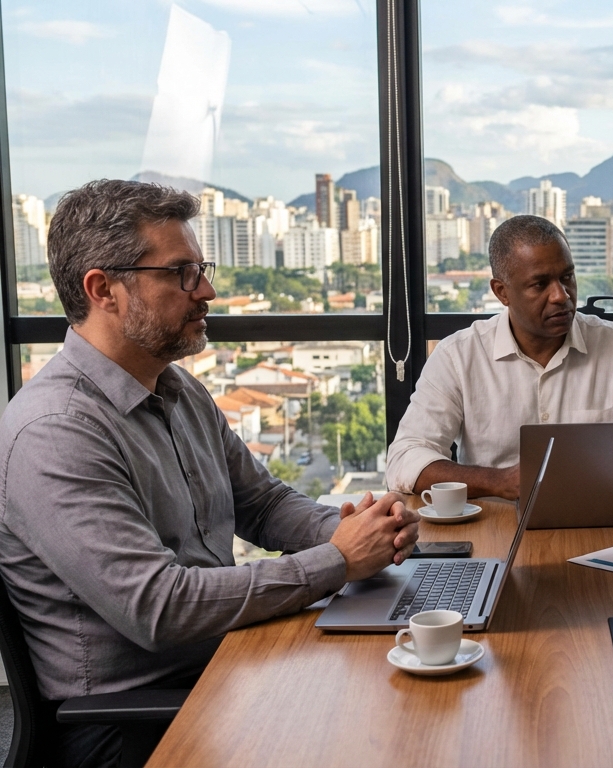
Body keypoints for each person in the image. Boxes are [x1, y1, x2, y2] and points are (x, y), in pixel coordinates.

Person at [0, 179, 421, 768]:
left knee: (410, 700)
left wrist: (357, 526)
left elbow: (263, 505)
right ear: (104, 290)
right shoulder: (54, 431)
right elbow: (161, 607)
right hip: (132, 725)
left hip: (221, 664)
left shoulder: (176, 387)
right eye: (181, 274)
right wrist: (339, 560)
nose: (209, 291)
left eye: (202, 268)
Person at [386, 215, 613, 499]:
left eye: (567, 277)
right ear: (502, 292)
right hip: (493, 526)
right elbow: (404, 460)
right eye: (540, 284)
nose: (561, 295)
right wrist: (498, 482)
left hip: (597, 520)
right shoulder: (457, 357)